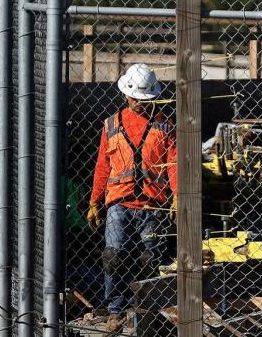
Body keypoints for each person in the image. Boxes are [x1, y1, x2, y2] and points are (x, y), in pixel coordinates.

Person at [85, 63, 177, 334]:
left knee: (151, 257)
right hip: (119, 204)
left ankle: (144, 310)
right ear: (126, 95)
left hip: (153, 204)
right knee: (114, 256)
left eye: (144, 99)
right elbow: (103, 165)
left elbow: (173, 164)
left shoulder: (165, 125)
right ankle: (116, 310)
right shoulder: (111, 125)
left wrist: (178, 197)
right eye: (136, 98)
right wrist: (95, 201)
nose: (139, 103)